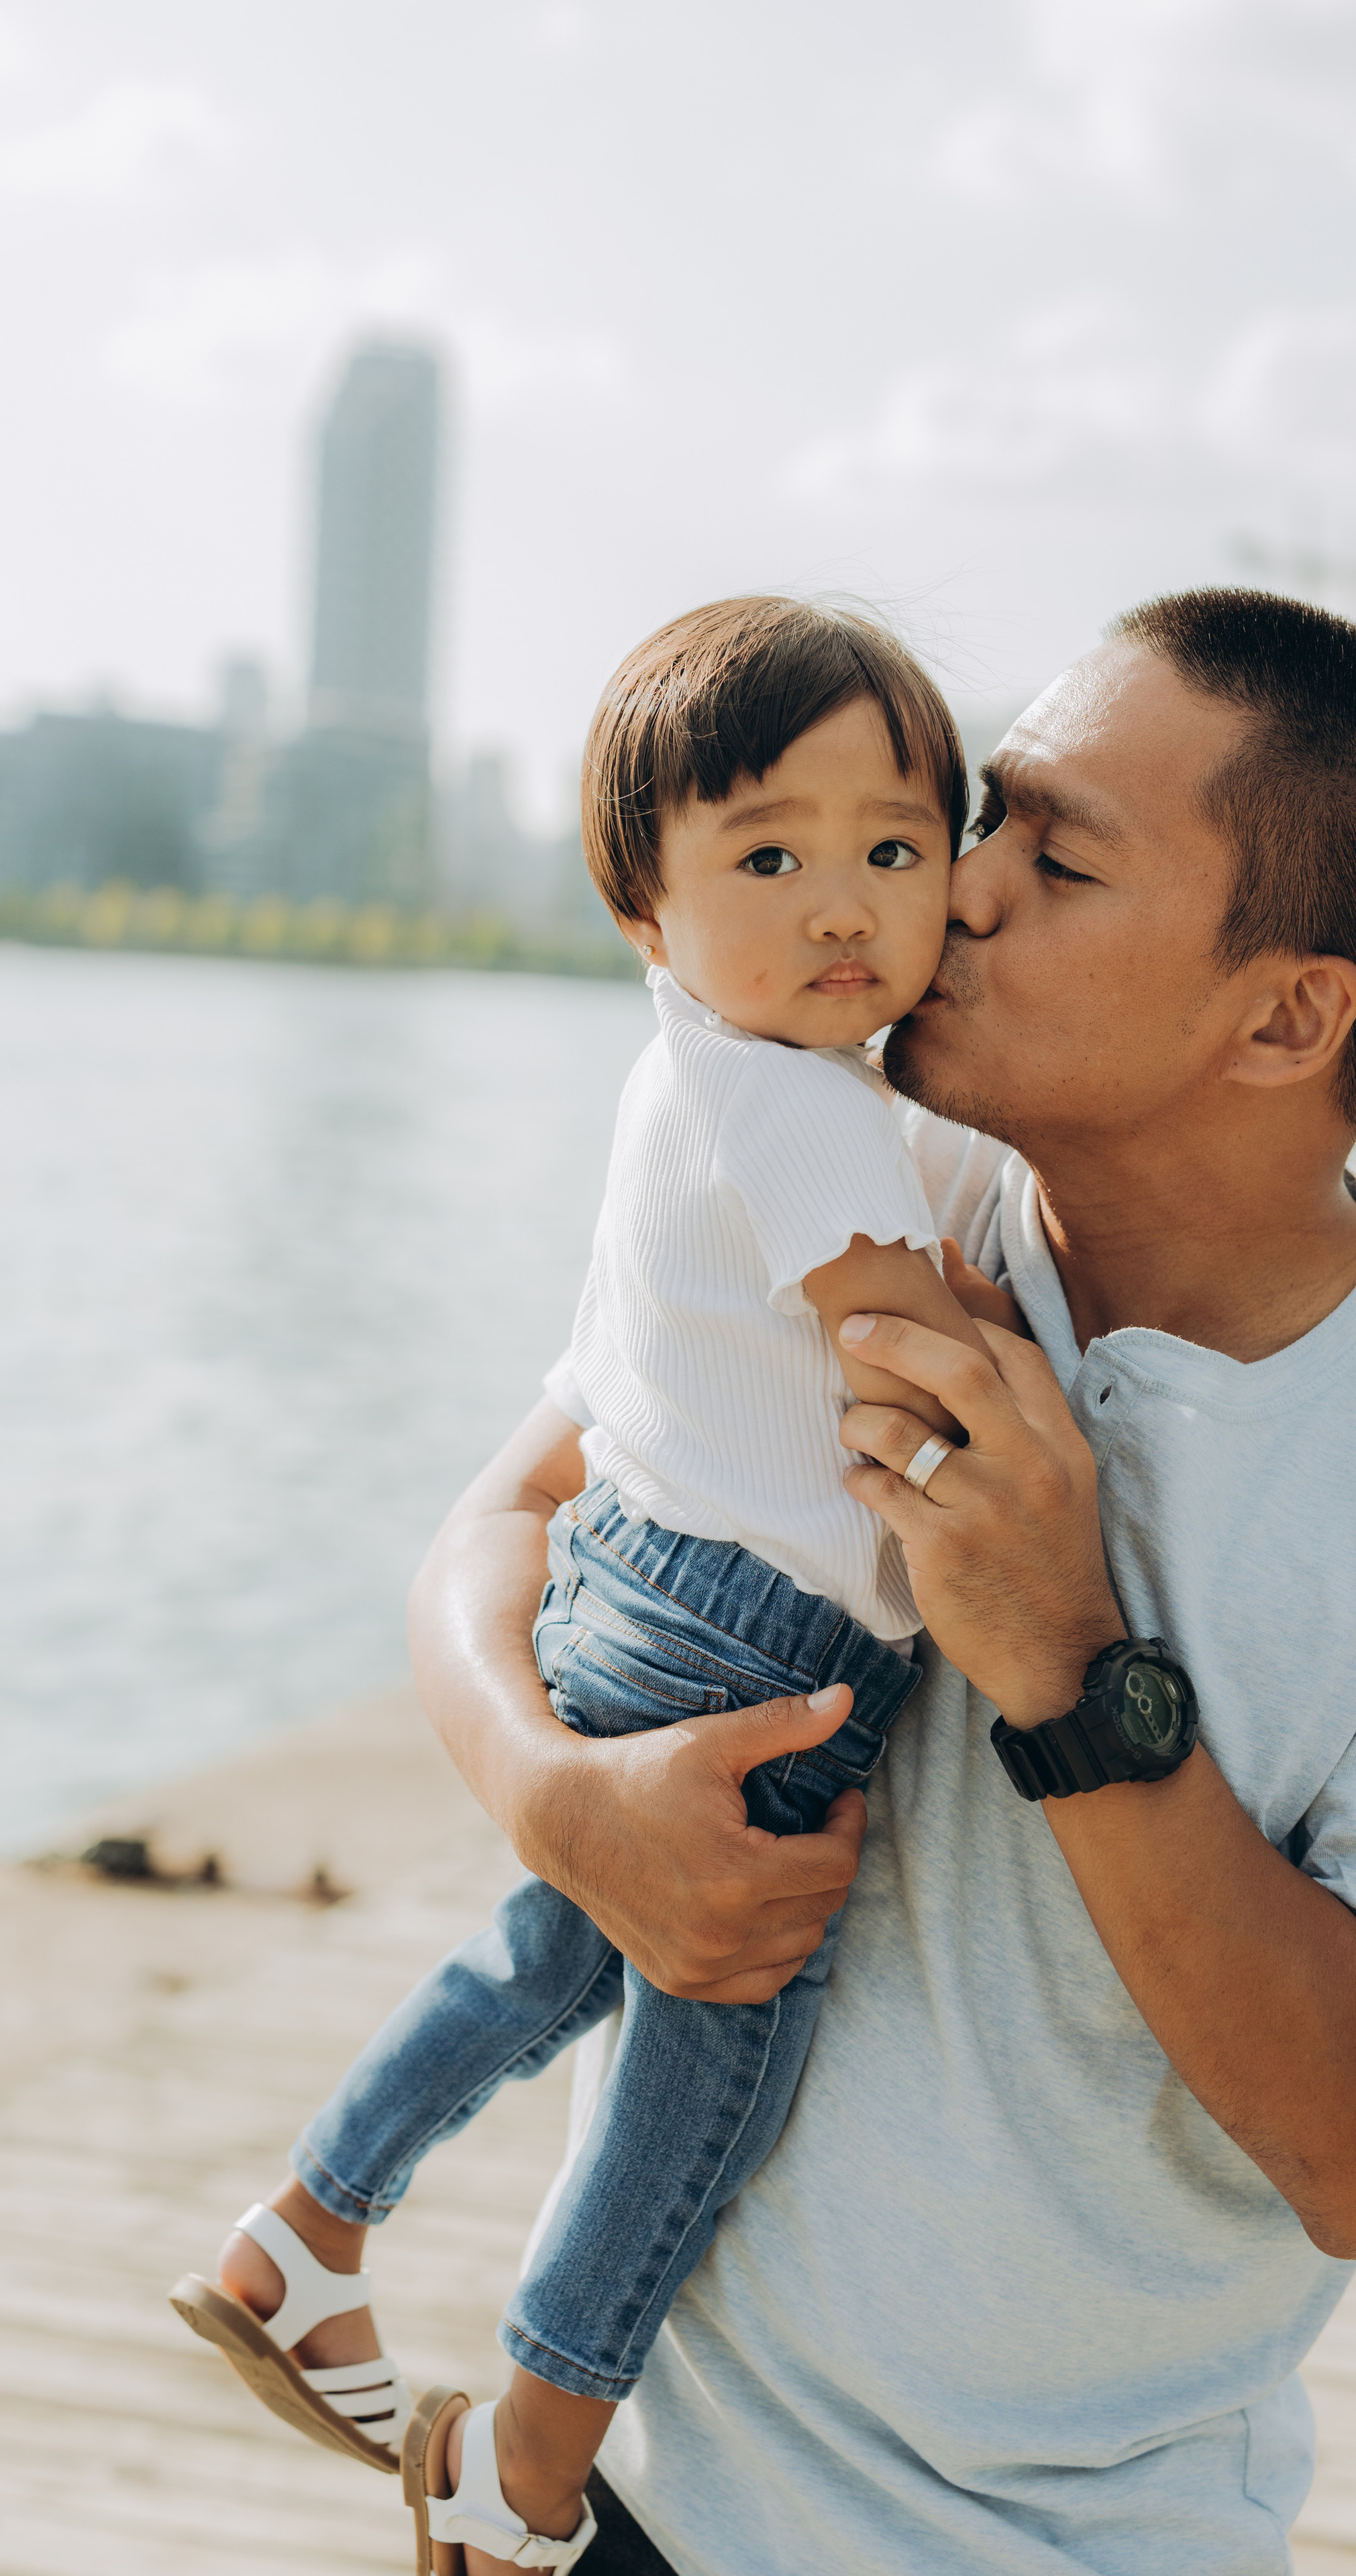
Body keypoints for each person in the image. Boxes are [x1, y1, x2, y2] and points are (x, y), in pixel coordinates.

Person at [400, 588, 1356, 2575]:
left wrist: (1070, 1656)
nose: (948, 893)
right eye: (980, 821)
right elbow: (502, 1521)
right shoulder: (865, 1194)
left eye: (1051, 858)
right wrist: (561, 1796)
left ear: (1288, 1014)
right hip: (626, 2484)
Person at [169, 598, 1021, 2574]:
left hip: (640, 1582)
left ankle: (311, 2226)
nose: (843, 908)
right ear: (644, 904)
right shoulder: (807, 1108)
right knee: (719, 2043)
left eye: (895, 852)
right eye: (769, 856)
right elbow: (916, 1360)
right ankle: (535, 2448)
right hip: (765, 1640)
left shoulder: (701, 1078)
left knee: (559, 1949)